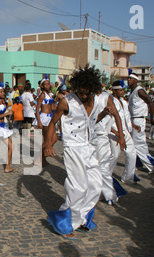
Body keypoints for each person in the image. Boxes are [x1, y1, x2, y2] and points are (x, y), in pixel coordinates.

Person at [44, 65, 114, 240]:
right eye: (80, 92)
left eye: (86, 93)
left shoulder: (96, 101)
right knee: (78, 187)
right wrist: (48, 144)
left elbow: (89, 122)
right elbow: (52, 122)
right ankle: (63, 223)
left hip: (89, 147)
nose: (83, 96)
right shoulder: (66, 102)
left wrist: (104, 114)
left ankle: (80, 219)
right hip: (73, 148)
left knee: (96, 186)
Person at [127, 72, 154, 173]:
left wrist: (151, 117)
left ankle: (152, 165)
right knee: (133, 144)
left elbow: (150, 102)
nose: (128, 80)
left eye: (130, 79)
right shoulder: (132, 92)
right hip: (133, 119)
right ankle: (138, 163)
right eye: (128, 78)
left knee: (139, 144)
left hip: (139, 119)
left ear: (136, 80)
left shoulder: (139, 90)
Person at [109, 80, 139, 184]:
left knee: (132, 153)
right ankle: (106, 177)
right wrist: (116, 132)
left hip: (125, 131)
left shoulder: (124, 102)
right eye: (120, 90)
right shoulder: (110, 101)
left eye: (123, 89)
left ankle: (128, 177)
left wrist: (133, 125)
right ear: (114, 90)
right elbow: (106, 121)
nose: (123, 91)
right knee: (115, 155)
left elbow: (126, 117)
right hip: (114, 132)